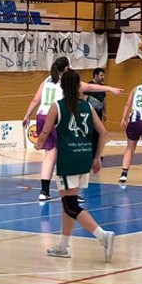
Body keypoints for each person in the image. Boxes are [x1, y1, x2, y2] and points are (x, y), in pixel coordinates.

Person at [37, 70, 115, 261]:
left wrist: (38, 143)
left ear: (62, 87)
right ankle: (63, 246)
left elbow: (45, 133)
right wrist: (97, 158)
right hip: (84, 158)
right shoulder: (87, 106)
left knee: (70, 205)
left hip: (68, 160)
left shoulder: (57, 107)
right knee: (67, 205)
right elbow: (103, 133)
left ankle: (102, 235)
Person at [23, 57, 122, 201]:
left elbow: (35, 100)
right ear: (67, 68)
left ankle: (44, 191)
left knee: (49, 154)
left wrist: (27, 115)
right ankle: (73, 192)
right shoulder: (68, 81)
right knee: (69, 150)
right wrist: (109, 88)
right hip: (57, 114)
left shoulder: (47, 80)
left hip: (41, 115)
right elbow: (90, 87)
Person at [84, 67, 107, 164]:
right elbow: (85, 100)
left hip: (99, 113)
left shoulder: (102, 88)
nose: (103, 77)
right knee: (90, 133)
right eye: (101, 75)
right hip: (90, 114)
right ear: (96, 75)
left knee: (98, 134)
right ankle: (88, 154)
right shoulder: (88, 86)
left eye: (103, 75)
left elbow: (104, 101)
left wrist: (105, 112)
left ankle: (96, 155)